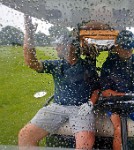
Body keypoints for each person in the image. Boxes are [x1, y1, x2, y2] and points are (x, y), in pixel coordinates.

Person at [18, 15, 100, 150]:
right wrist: (29, 34)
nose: (56, 48)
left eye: (59, 45)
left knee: (85, 144)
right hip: (56, 107)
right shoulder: (56, 65)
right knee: (25, 135)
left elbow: (97, 89)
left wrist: (90, 103)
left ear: (71, 47)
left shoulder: (87, 67)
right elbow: (31, 62)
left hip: (81, 109)